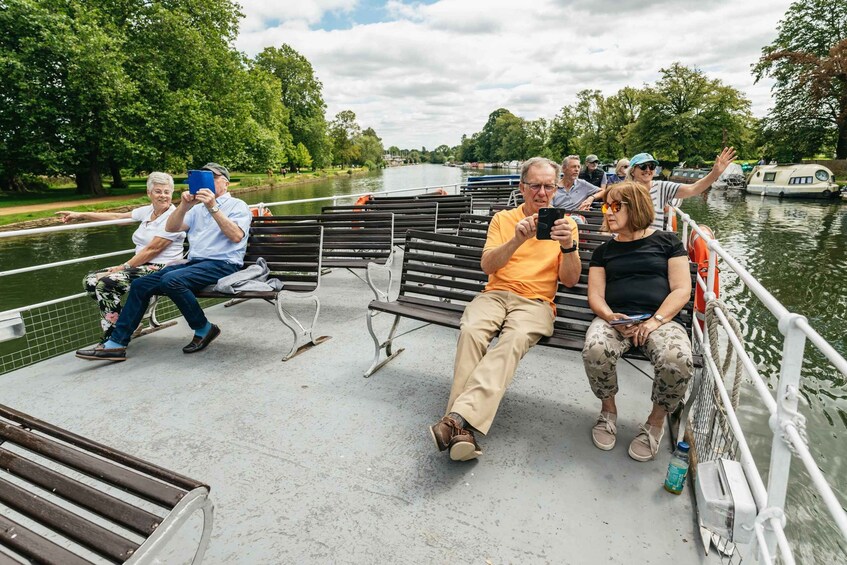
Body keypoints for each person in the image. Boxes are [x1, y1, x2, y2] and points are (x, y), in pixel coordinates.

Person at [429, 157, 582, 461]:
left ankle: (456, 420)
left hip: (536, 302)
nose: (542, 192)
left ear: (555, 189)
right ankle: (463, 430)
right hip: (496, 294)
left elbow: (570, 280)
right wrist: (516, 240)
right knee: (472, 330)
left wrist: (568, 247)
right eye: (535, 185)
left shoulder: (567, 225)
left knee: (512, 340)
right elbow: (488, 265)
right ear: (522, 187)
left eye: (548, 186)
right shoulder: (503, 219)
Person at [75, 163, 251, 362]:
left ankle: (204, 328)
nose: (207, 183)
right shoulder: (196, 209)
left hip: (223, 263)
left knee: (172, 280)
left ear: (225, 183)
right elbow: (172, 227)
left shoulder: (238, 205)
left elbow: (236, 236)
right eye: (203, 178)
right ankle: (117, 343)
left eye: (213, 178)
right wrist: (184, 206)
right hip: (194, 263)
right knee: (141, 284)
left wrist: (213, 207)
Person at [582, 181, 693, 462]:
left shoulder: (668, 242)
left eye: (616, 206)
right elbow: (595, 295)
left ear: (638, 207)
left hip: (660, 319)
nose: (607, 212)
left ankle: (654, 424)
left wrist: (655, 321)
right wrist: (610, 317)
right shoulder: (603, 251)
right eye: (606, 205)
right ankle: (608, 412)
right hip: (615, 319)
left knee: (676, 359)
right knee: (595, 349)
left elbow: (681, 289)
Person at [55, 172, 185, 343]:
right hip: (141, 265)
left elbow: (153, 249)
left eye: (167, 192)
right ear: (149, 194)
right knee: (90, 280)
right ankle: (127, 323)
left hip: (162, 267)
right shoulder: (148, 211)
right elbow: (117, 217)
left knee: (106, 284)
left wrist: (124, 267)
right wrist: (80, 215)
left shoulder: (174, 217)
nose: (163, 196)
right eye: (158, 191)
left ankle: (113, 337)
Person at [626, 147, 737, 230]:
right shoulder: (624, 191)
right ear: (632, 170)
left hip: (653, 243)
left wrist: (714, 173)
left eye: (652, 166)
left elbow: (693, 189)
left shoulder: (662, 187)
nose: (648, 169)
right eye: (643, 166)